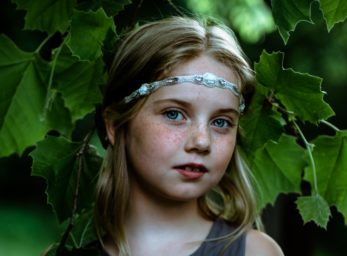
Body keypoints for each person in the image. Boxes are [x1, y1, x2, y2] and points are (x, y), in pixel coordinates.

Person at [95, 16, 284, 256]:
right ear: (114, 125)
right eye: (174, 114)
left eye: (221, 122)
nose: (202, 142)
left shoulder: (255, 252)